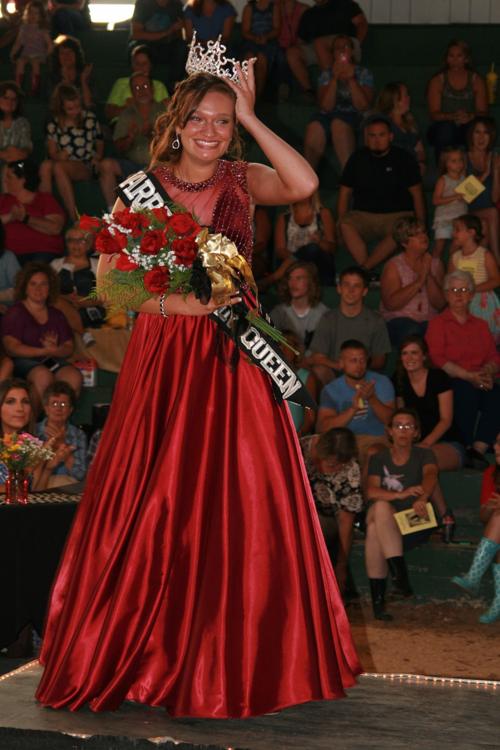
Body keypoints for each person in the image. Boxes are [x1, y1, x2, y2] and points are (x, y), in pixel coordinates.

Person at [35, 62, 360, 716]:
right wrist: (173, 309)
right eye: (199, 119)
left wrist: (251, 115)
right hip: (164, 358)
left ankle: (230, 654)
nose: (210, 131)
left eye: (221, 120)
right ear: (175, 124)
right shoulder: (140, 189)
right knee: (155, 501)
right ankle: (144, 653)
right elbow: (104, 294)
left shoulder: (240, 181)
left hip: (234, 358)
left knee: (239, 498)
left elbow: (306, 182)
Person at [365, 408, 438, 620]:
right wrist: (401, 494)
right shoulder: (379, 457)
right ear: (389, 431)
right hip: (389, 520)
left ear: (416, 432)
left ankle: (380, 602)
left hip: (415, 518)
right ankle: (400, 578)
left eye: (408, 426)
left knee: (373, 529)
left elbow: (431, 475)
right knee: (380, 508)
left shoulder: (424, 454)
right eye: (398, 426)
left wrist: (422, 497)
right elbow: (371, 491)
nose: (403, 431)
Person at [426, 270, 500, 469]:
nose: (459, 294)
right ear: (446, 294)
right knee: (466, 391)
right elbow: (437, 358)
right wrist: (469, 376)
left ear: (471, 295)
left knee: (496, 394)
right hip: (451, 378)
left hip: (479, 376)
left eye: (464, 290)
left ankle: (478, 449)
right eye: (454, 290)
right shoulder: (438, 324)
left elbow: (494, 356)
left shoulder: (481, 325)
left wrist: (487, 371)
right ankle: (462, 446)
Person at [338, 116, 425, 274]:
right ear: (366, 138)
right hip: (363, 215)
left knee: (401, 228)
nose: (377, 140)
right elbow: (345, 193)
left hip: (397, 215)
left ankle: (363, 270)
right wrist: (340, 224)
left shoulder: (404, 158)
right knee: (345, 224)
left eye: (381, 135)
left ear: (390, 136)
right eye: (372, 135)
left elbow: (417, 194)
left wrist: (421, 224)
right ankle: (367, 271)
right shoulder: (357, 158)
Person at [394, 334, 462, 535]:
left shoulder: (438, 377)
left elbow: (446, 420)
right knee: (415, 459)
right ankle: (431, 520)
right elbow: (402, 418)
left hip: (449, 443)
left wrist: (424, 444)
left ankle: (443, 516)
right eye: (405, 353)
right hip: (417, 447)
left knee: (423, 458)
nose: (409, 357)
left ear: (424, 356)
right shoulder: (399, 380)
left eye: (414, 352)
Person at [1, 261, 82, 409]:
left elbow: (68, 347)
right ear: (25, 287)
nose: (38, 289)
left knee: (73, 376)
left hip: (50, 359)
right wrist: (45, 350)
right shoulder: (16, 312)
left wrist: (55, 350)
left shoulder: (56, 314)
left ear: (50, 288)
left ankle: (57, 424)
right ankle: (35, 424)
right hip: (22, 362)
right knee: (43, 377)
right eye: (33, 284)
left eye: (43, 284)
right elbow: (12, 347)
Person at [300, 427, 363, 594]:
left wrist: (341, 565)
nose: (329, 468)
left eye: (335, 465)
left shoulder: (351, 470)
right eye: (328, 462)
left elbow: (346, 521)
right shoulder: (299, 448)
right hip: (292, 515)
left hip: (325, 522)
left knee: (315, 525)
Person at [316, 339, 395, 469]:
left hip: (377, 439)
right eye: (353, 360)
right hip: (343, 442)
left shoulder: (381, 382)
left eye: (362, 360)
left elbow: (391, 422)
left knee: (374, 452)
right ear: (341, 363)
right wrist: (353, 409)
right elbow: (323, 428)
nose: (359, 365)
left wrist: (372, 399)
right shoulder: (331, 390)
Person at [307, 266, 391, 383]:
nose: (351, 290)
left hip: (363, 373)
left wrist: (358, 366)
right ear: (339, 288)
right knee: (319, 370)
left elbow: (380, 359)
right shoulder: (328, 318)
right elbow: (317, 357)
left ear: (365, 291)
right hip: (336, 372)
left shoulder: (375, 320)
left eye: (356, 286)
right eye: (346, 285)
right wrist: (340, 366)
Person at [304, 34, 373, 172]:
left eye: (345, 47)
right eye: (337, 48)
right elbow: (325, 106)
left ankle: (348, 180)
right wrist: (335, 79)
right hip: (328, 115)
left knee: (338, 124)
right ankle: (309, 183)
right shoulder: (326, 75)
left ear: (352, 51)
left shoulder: (363, 73)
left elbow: (363, 105)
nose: (341, 50)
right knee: (315, 126)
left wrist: (351, 79)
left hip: (353, 116)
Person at [98, 72, 165, 212]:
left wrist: (152, 134)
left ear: (152, 89)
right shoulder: (126, 114)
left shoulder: (165, 112)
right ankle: (112, 213)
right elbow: (119, 148)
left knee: (139, 175)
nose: (142, 91)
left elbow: (174, 146)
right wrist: (130, 137)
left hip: (159, 165)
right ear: (132, 92)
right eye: (137, 88)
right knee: (106, 165)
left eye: (145, 86)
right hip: (132, 164)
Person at [452, 433, 500, 624]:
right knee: (498, 516)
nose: (496, 447)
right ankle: (496, 601)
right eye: (496, 442)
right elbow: (483, 517)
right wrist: (489, 507)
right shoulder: (492, 473)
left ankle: (474, 576)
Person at [39, 83, 104, 222]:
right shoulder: (54, 123)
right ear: (61, 107)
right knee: (46, 166)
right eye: (70, 109)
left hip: (84, 164)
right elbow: (52, 152)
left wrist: (97, 157)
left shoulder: (89, 118)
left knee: (58, 167)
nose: (75, 111)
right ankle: (47, 210)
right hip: (64, 162)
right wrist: (58, 155)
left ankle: (73, 215)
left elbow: (99, 141)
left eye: (78, 107)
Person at [380, 217, 445, 348]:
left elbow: (440, 304)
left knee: (441, 333)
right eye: (416, 234)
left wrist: (428, 274)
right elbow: (391, 304)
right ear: (404, 242)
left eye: (424, 232)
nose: (423, 236)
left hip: (429, 320)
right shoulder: (394, 266)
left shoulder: (436, 264)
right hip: (398, 320)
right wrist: (419, 281)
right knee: (412, 332)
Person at [289, 0, 368, 100]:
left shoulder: (345, 4)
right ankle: (309, 91)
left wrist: (356, 43)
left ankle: (331, 88)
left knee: (319, 43)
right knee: (292, 53)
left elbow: (361, 23)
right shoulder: (309, 14)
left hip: (346, 45)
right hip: (319, 49)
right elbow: (301, 41)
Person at [427, 39, 488, 162]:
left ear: (466, 59)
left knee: (476, 131)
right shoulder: (438, 80)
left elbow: (483, 112)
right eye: (451, 56)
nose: (455, 60)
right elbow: (434, 113)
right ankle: (444, 173)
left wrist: (470, 116)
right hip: (443, 126)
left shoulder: (476, 80)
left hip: (468, 125)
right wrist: (452, 116)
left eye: (459, 56)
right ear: (446, 58)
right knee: (445, 131)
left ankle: (474, 171)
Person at [0, 159, 65, 265]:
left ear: (22, 180)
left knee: (34, 273)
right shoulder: (3, 200)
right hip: (8, 255)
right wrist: (11, 217)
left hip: (42, 251)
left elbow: (55, 228)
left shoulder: (45, 199)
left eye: (9, 177)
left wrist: (26, 218)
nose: (5, 181)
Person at [0, 377, 60, 490]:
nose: (20, 408)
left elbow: (34, 492)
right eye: (10, 402)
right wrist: (29, 467)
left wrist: (48, 469)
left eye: (25, 402)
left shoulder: (32, 445)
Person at [448, 214, 500, 341]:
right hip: (462, 301)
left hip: (482, 301)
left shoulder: (484, 254)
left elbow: (496, 280)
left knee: (483, 335)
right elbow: (450, 282)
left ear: (471, 232)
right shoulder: (455, 257)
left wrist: (473, 289)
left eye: (457, 230)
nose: (453, 233)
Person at [269, 191, 336, 285]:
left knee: (312, 248)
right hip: (292, 267)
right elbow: (280, 251)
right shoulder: (284, 218)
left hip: (317, 265)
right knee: (305, 255)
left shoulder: (323, 214)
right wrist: (298, 260)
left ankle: (274, 277)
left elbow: (331, 248)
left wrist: (319, 241)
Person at [51, 224, 104, 334]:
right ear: (66, 243)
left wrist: (85, 303)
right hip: (60, 311)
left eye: (81, 240)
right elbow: (46, 292)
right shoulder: (55, 265)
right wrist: (66, 298)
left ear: (89, 244)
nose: (76, 244)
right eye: (71, 240)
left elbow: (107, 296)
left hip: (91, 310)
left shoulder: (98, 266)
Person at [36, 380, 87, 486]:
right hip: (39, 485)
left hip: (68, 486)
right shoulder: (33, 431)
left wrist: (62, 445)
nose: (59, 408)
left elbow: (80, 475)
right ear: (46, 408)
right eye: (54, 403)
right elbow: (30, 473)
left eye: (63, 404)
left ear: (70, 410)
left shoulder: (79, 435)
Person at [270, 261, 329, 350]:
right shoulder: (279, 313)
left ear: (310, 281)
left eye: (299, 278)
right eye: (290, 278)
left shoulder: (324, 314)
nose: (293, 283)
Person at [465, 116, 500, 263]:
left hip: (486, 212)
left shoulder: (494, 158)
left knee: (488, 218)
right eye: (477, 132)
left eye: (485, 133)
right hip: (466, 209)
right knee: (491, 213)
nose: (481, 137)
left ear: (491, 136)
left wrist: (496, 172)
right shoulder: (463, 157)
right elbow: (465, 195)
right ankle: (498, 260)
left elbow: (494, 199)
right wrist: (485, 175)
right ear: (471, 135)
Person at [105, 44, 169, 123]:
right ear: (132, 64)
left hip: (152, 126)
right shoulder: (120, 83)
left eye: (144, 63)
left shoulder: (159, 86)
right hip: (123, 125)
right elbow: (109, 113)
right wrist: (130, 108)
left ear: (151, 65)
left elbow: (165, 112)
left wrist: (140, 105)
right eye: (137, 63)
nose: (140, 67)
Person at [130, 0, 186, 89]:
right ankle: (141, 83)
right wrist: (166, 32)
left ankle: (172, 87)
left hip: (167, 46)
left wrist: (180, 27)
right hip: (146, 45)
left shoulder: (176, 4)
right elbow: (136, 34)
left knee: (181, 47)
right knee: (140, 51)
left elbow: (179, 35)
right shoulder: (143, 3)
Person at [375, 81, 426, 175]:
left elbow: (420, 149)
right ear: (395, 101)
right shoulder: (381, 123)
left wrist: (421, 163)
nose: (409, 98)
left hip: (411, 166)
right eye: (406, 96)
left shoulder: (411, 121)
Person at [431, 146, 468, 259]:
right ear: (446, 164)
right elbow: (435, 200)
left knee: (456, 247)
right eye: (454, 161)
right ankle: (433, 270)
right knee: (439, 248)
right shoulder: (443, 180)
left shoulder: (464, 178)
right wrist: (455, 196)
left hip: (460, 219)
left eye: (460, 160)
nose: (458, 163)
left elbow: (467, 197)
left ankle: (450, 270)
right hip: (444, 218)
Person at [9, 0, 52, 95]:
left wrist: (47, 54)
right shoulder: (23, 28)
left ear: (41, 15)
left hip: (39, 54)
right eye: (31, 12)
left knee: (35, 63)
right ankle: (18, 87)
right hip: (26, 53)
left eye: (36, 13)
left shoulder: (42, 29)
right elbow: (18, 42)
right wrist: (13, 53)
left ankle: (34, 88)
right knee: (20, 62)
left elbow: (49, 44)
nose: (33, 15)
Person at [241, 0, 280, 98]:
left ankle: (258, 96)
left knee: (262, 58)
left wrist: (266, 37)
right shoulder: (249, 8)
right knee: (249, 58)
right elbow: (245, 31)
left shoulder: (274, 7)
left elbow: (276, 29)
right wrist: (255, 38)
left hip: (268, 42)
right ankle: (245, 94)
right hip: (251, 41)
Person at [49, 34, 93, 109]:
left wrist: (83, 81)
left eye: (70, 52)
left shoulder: (86, 74)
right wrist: (66, 81)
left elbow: (89, 104)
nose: (66, 56)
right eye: (62, 53)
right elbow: (55, 105)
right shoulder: (52, 76)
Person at [0, 80, 32, 166]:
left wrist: (19, 153)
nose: (10, 102)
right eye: (6, 98)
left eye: (13, 99)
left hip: (17, 162)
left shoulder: (23, 123)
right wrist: (3, 154)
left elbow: (26, 148)